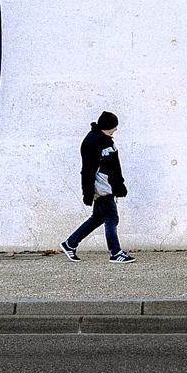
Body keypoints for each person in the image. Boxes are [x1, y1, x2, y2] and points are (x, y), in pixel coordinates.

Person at [61, 111, 133, 263]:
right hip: (101, 187)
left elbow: (114, 166)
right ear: (107, 127)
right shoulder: (92, 142)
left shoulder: (106, 140)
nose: (116, 129)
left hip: (108, 185)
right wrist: (89, 191)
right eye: (114, 126)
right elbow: (88, 170)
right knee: (112, 218)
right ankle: (116, 252)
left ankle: (70, 243)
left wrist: (119, 185)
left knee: (97, 218)